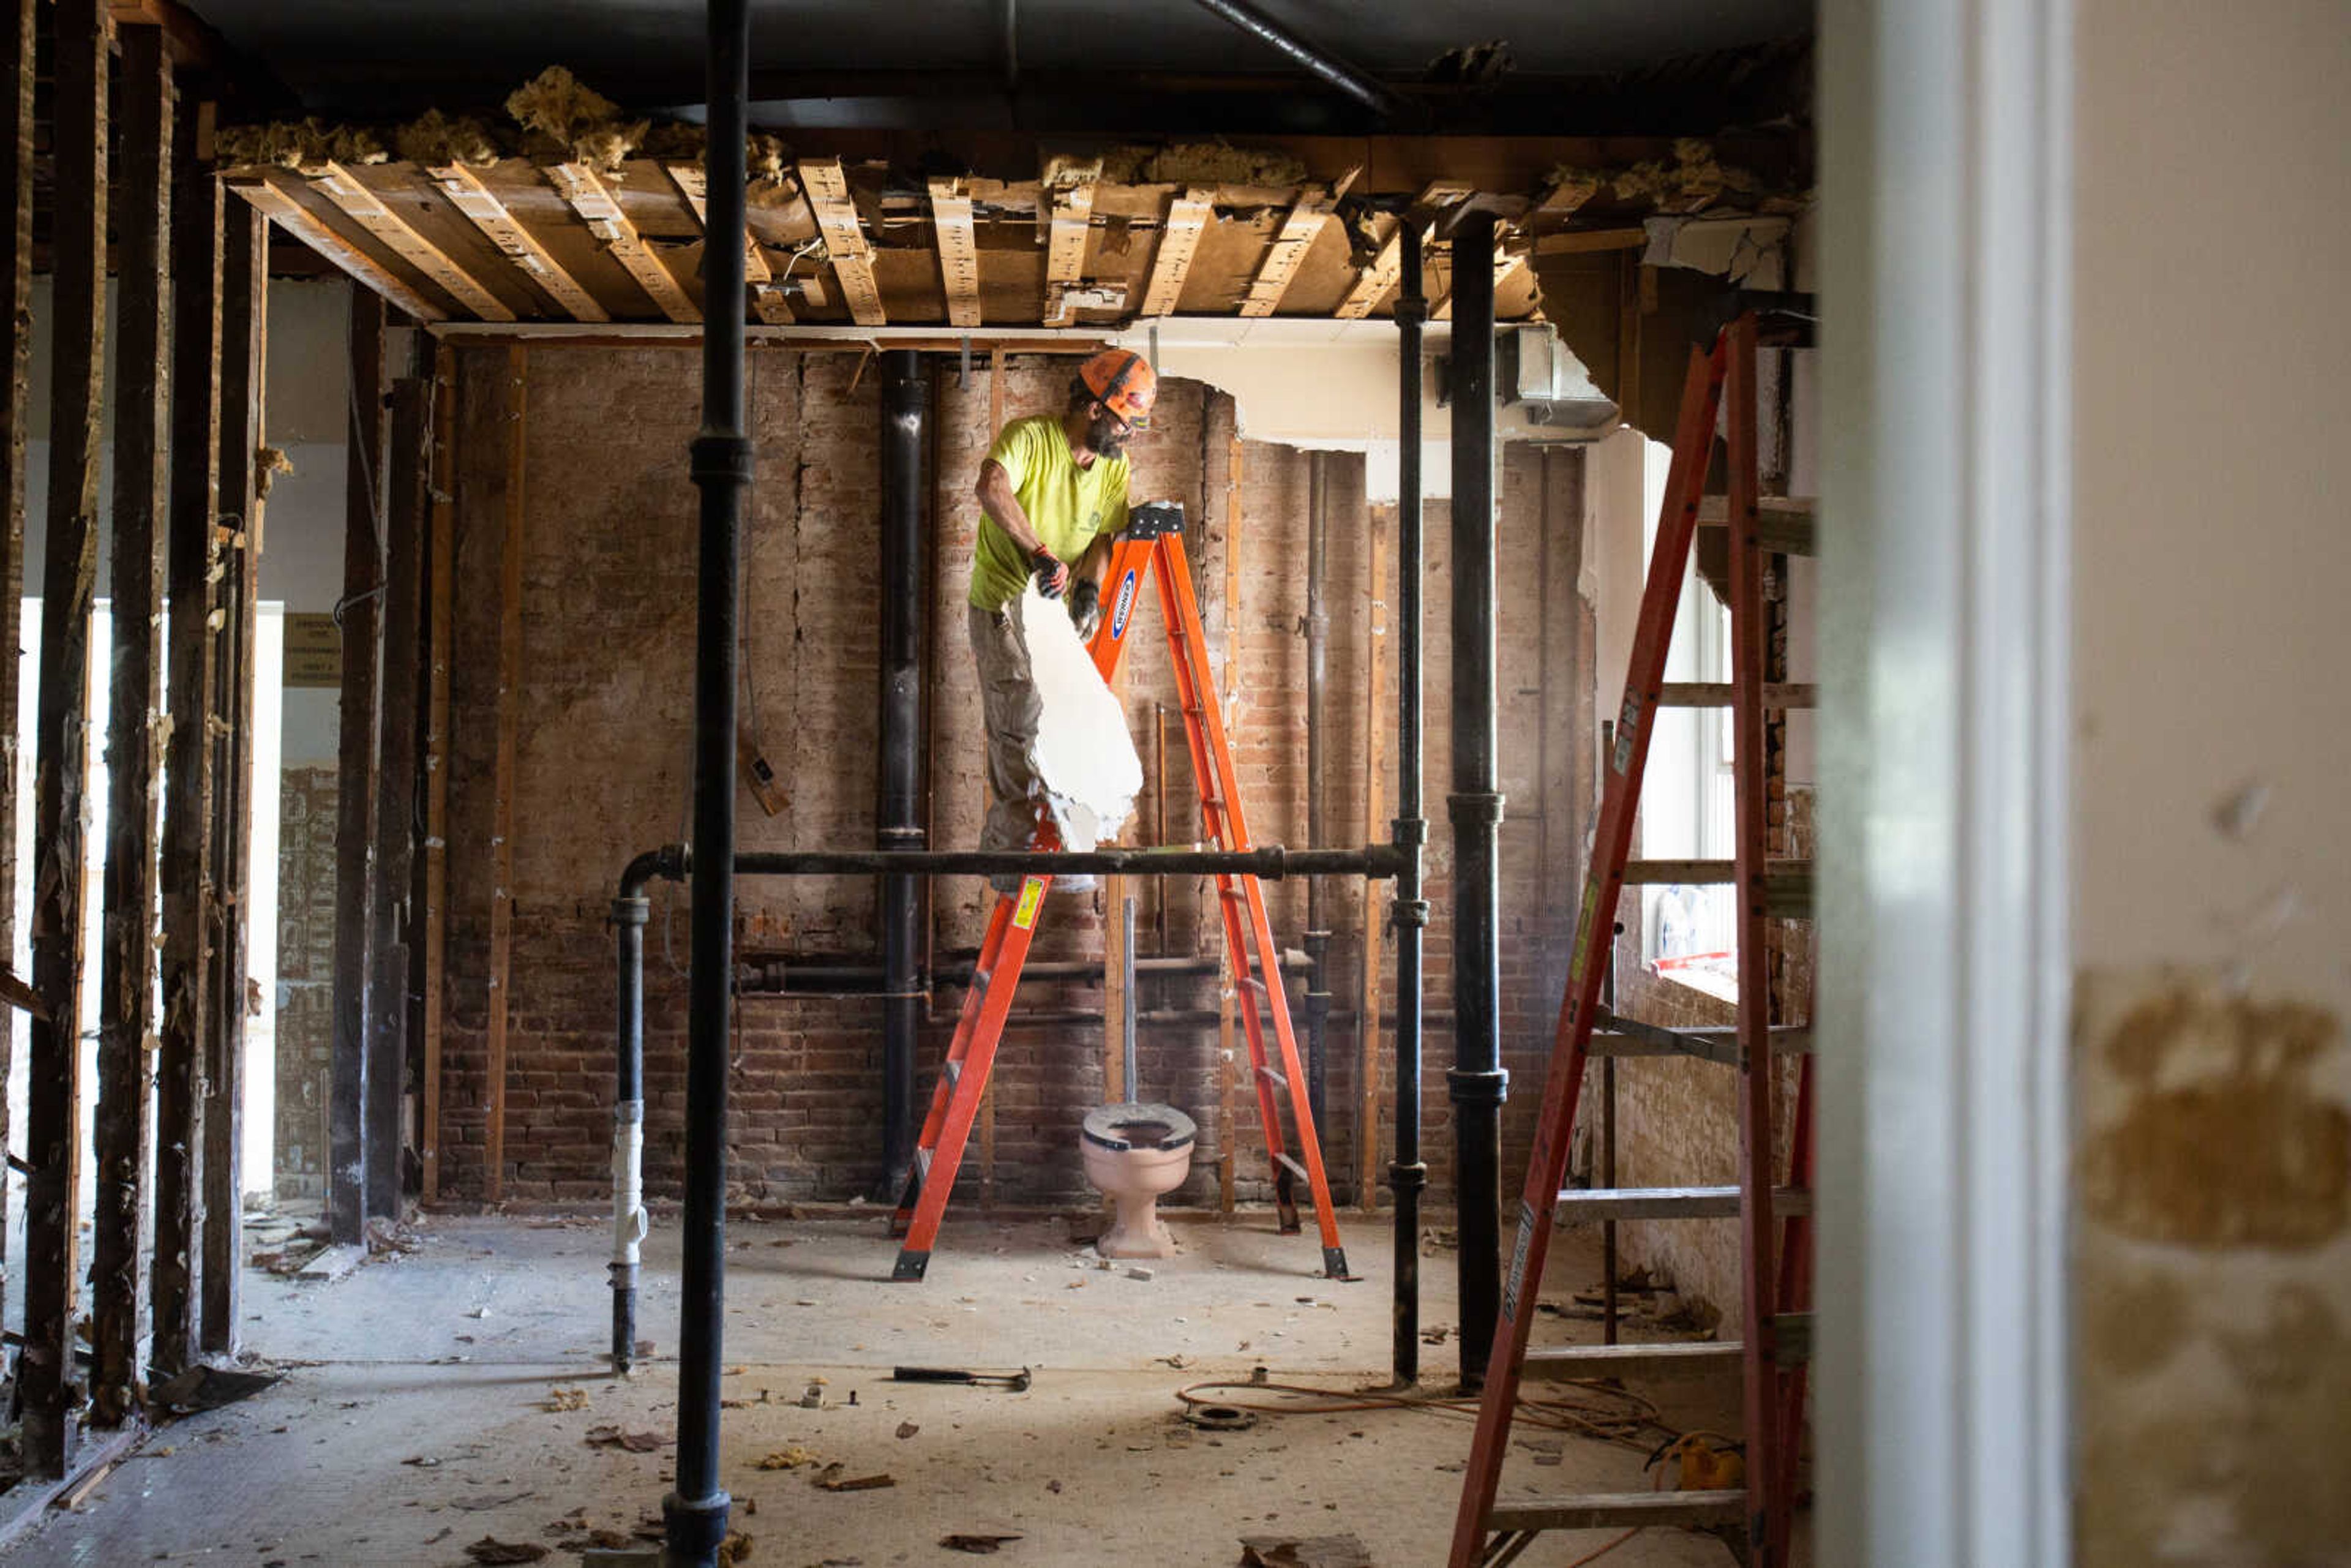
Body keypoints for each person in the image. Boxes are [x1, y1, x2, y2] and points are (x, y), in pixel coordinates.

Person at [967, 348, 1157, 895]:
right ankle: (1009, 861)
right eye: (1126, 421)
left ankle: (1068, 845)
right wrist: (1039, 552)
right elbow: (992, 488)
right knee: (1018, 725)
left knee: (1070, 722)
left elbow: (1104, 538)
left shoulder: (1114, 468)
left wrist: (1091, 590)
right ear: (1095, 409)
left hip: (1051, 611)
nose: (1131, 436)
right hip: (1004, 603)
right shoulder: (1031, 438)